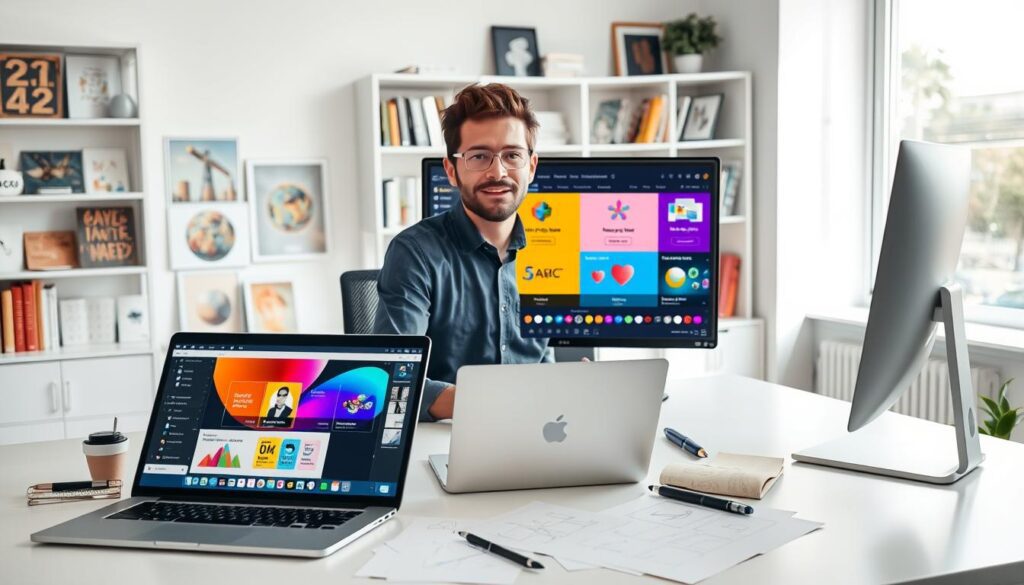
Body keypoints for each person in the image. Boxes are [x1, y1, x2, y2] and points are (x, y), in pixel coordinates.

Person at [374, 83, 551, 422]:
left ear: (531, 166)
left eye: (512, 155)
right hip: (445, 439)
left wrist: (572, 385)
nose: (497, 172)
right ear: (452, 170)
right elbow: (392, 376)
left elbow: (543, 363)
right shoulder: (414, 253)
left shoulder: (551, 252)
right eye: (479, 156)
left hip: (537, 431)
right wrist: (493, 403)